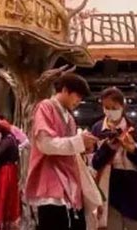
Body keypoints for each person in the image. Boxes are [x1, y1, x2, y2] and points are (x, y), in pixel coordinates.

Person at [25, 73, 98, 230]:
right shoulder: (45, 107)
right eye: (78, 96)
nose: (79, 101)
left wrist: (84, 147)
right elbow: (45, 144)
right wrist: (79, 142)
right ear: (65, 90)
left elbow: (68, 146)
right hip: (50, 180)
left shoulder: (70, 118)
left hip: (69, 182)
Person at [90, 87, 137, 230]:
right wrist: (108, 148)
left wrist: (133, 151)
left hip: (136, 190)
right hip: (109, 190)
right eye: (106, 108)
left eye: (114, 108)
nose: (110, 111)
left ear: (122, 106)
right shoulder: (97, 129)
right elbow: (93, 164)